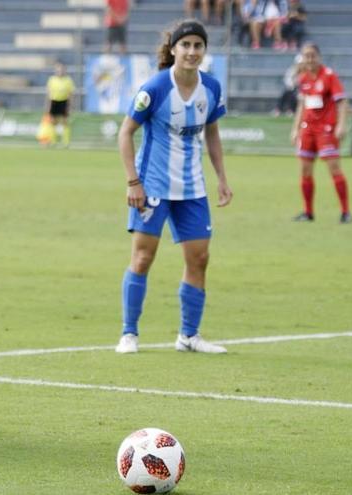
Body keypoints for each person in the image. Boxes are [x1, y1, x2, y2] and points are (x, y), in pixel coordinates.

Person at [115, 19, 233, 355]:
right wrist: (132, 182)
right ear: (173, 49)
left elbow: (211, 132)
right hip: (151, 185)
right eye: (186, 45)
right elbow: (125, 133)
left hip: (193, 187)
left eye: (198, 46)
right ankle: (129, 334)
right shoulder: (154, 88)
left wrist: (222, 177)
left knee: (200, 258)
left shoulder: (211, 88)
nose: (192, 52)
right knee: (142, 257)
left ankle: (188, 336)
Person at [291, 42, 351, 224]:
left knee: (334, 168)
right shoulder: (303, 78)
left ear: (319, 57)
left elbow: (342, 102)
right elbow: (302, 104)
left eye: (312, 55)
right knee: (305, 170)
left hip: (326, 128)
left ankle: (345, 212)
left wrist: (341, 124)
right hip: (308, 129)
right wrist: (295, 128)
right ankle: (308, 212)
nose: (309, 59)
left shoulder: (329, 76)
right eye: (306, 56)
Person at [45, 62, 75, 147]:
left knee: (65, 122)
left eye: (61, 69)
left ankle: (66, 142)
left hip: (64, 101)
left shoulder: (68, 80)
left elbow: (71, 94)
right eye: (58, 70)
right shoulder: (52, 79)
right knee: (52, 122)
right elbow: (48, 93)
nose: (60, 71)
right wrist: (48, 106)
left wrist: (70, 106)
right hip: (54, 101)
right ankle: (53, 141)